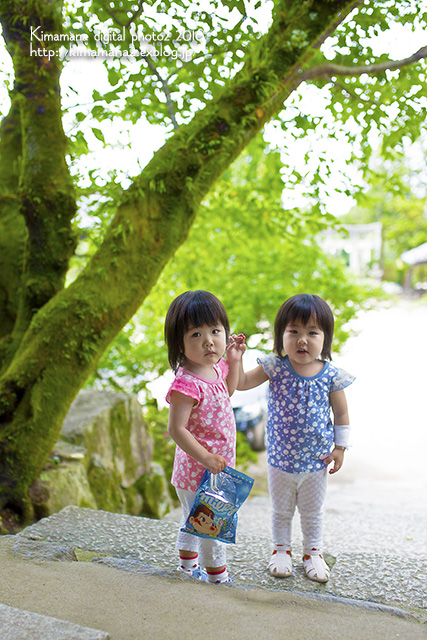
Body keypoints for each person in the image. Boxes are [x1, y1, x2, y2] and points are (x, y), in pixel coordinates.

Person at [233, 293, 354, 583]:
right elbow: (241, 383)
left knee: (313, 512)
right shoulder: (275, 366)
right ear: (281, 336)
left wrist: (340, 448)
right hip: (280, 461)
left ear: (325, 338)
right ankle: (280, 550)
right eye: (294, 332)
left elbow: (341, 414)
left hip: (316, 461)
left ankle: (313, 553)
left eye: (312, 332)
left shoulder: (331, 376)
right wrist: (234, 359)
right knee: (281, 511)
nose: (303, 340)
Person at [164, 290, 245, 584]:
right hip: (198, 470)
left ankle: (186, 568)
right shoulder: (186, 384)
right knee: (211, 525)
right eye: (196, 334)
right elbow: (177, 429)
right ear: (179, 344)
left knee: (192, 521)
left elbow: (229, 390)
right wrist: (206, 457)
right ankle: (217, 577)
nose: (209, 340)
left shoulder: (215, 368)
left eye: (215, 330)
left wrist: (234, 360)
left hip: (214, 470)